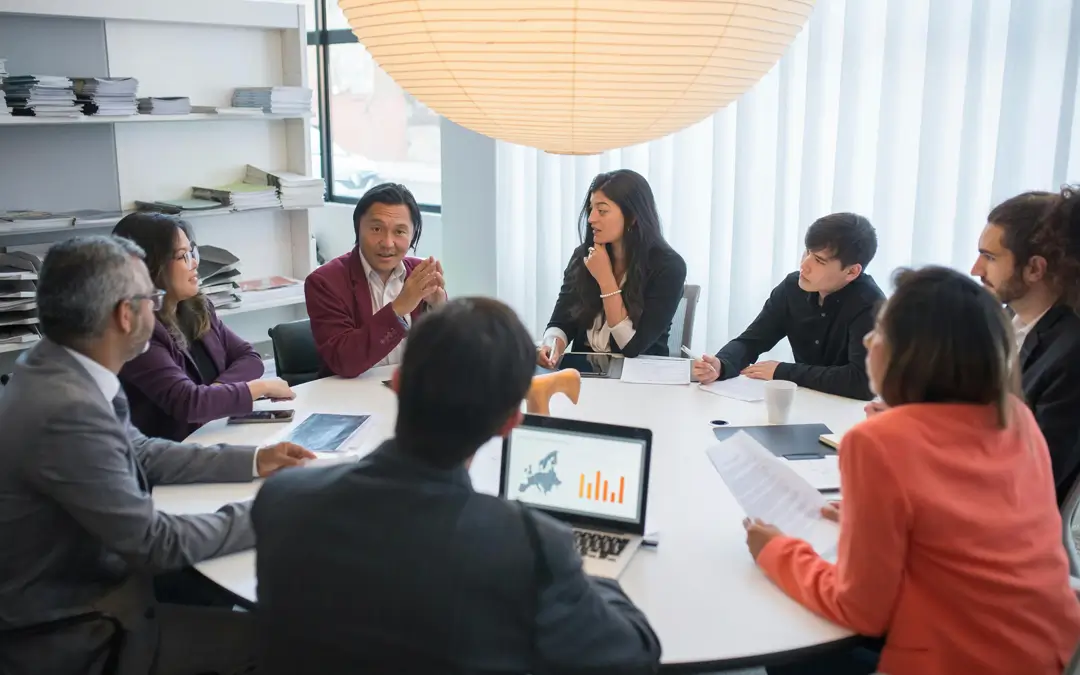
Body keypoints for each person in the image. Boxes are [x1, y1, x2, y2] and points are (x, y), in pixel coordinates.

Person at [253, 298, 662, 674]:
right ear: (510, 423)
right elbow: (635, 652)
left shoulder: (282, 498)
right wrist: (584, 575)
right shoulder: (531, 547)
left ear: (398, 384)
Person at [0, 236, 315, 675]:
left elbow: (140, 450)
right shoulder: (66, 409)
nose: (158, 306)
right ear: (125, 315)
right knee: (292, 641)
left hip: (98, 582)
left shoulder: (60, 365)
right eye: (151, 296)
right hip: (80, 631)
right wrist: (270, 513)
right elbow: (154, 543)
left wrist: (253, 459)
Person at [744, 266, 1080, 675]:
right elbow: (971, 522)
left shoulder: (877, 441)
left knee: (790, 643)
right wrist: (875, 520)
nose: (867, 340)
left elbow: (860, 609)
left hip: (954, 662)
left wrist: (777, 551)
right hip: (1049, 650)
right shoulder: (1017, 417)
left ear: (913, 354)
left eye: (880, 332)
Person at [112, 212, 295, 441]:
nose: (195, 263)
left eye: (193, 252)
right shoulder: (138, 329)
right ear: (150, 267)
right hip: (169, 451)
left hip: (214, 434)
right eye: (183, 256)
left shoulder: (198, 306)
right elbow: (188, 403)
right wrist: (259, 388)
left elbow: (250, 358)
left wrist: (215, 394)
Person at [692, 213, 883, 400]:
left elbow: (862, 382)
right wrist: (722, 364)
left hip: (849, 411)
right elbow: (752, 341)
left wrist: (782, 371)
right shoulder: (792, 288)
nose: (804, 265)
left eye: (819, 260)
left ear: (851, 271)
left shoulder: (871, 305)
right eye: (807, 252)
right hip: (805, 401)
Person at [969, 188, 1080, 503]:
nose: (976, 270)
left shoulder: (1071, 356)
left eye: (990, 257)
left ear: (1034, 269)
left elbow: (1032, 477)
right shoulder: (1006, 318)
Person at [538, 169, 686, 365]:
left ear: (632, 216)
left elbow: (631, 346)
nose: (591, 218)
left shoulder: (669, 266)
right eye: (591, 209)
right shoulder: (583, 256)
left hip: (642, 374)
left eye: (602, 211)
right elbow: (561, 321)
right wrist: (551, 346)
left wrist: (605, 278)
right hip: (586, 372)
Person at [305, 182, 447, 378]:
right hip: (349, 392)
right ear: (358, 228)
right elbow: (344, 360)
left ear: (413, 234)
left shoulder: (419, 273)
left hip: (409, 388)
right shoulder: (325, 282)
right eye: (376, 229)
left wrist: (439, 309)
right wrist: (399, 307)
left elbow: (447, 356)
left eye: (399, 232)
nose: (387, 243)